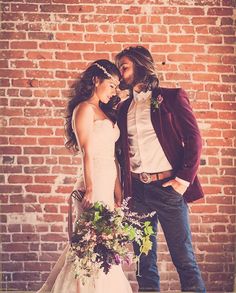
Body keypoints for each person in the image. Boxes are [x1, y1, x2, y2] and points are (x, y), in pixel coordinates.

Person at [36, 60, 133, 293]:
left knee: (105, 243)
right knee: (89, 243)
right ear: (95, 81)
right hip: (94, 181)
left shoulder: (105, 111)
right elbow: (87, 152)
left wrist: (118, 191)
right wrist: (90, 188)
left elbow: (112, 157)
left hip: (109, 180)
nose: (114, 91)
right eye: (110, 85)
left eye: (116, 87)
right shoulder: (84, 109)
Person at [115, 46, 206, 292]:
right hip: (138, 193)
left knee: (184, 260)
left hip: (168, 190)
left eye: (124, 66)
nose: (120, 72)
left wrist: (183, 180)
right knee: (144, 264)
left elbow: (194, 139)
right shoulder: (122, 108)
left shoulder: (172, 98)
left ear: (141, 65)